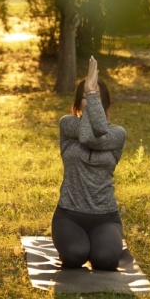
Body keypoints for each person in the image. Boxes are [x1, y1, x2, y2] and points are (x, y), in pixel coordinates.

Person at [52, 56, 127, 271]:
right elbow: (85, 135)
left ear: (104, 103)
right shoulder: (67, 125)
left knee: (105, 260)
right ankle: (75, 241)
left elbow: (93, 135)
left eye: (95, 97)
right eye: (84, 97)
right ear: (76, 103)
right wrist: (92, 96)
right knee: (75, 255)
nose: (90, 100)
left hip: (105, 217)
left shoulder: (117, 134)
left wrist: (91, 94)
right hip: (68, 214)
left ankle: (100, 243)